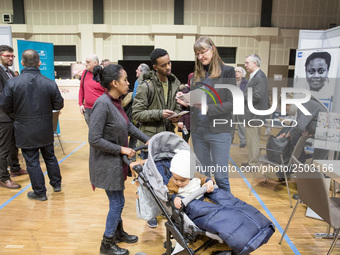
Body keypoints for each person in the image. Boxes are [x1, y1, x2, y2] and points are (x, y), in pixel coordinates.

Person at [89, 64, 149, 255]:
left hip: (115, 161)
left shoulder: (116, 102)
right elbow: (94, 139)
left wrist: (148, 139)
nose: (128, 82)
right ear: (114, 83)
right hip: (106, 163)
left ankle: (118, 233)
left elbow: (128, 125)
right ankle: (106, 244)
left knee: (117, 200)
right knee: (117, 202)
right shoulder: (103, 104)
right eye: (125, 79)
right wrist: (121, 148)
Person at [167, 150, 275, 255]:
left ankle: (259, 226)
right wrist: (176, 198)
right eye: (176, 179)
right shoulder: (172, 182)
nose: (178, 183)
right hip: (193, 205)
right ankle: (240, 238)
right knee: (220, 217)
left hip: (206, 198)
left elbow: (207, 180)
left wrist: (209, 183)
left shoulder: (196, 176)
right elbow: (170, 194)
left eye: (182, 180)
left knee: (229, 203)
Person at [1, 49, 64, 201]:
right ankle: (56, 184)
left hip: (24, 128)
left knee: (32, 161)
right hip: (45, 127)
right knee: (50, 157)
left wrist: (18, 115)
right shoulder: (49, 83)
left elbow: (5, 106)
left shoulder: (12, 83)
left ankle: (40, 192)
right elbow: (59, 104)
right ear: (39, 63)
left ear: (22, 63)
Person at [132, 48, 181, 228]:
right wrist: (160, 113)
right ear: (155, 67)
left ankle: (163, 208)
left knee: (166, 177)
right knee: (149, 179)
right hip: (149, 140)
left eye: (169, 63)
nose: (168, 67)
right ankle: (150, 213)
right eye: (164, 65)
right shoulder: (146, 86)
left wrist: (176, 116)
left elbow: (175, 108)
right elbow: (136, 114)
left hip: (168, 139)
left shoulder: (175, 83)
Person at [183, 36, 235, 193]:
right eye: (197, 54)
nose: (200, 57)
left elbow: (232, 103)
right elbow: (195, 101)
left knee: (220, 177)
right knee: (203, 176)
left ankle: (228, 210)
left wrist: (207, 107)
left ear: (213, 49)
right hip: (199, 132)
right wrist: (185, 101)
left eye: (203, 52)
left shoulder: (227, 71)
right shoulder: (196, 75)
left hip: (219, 132)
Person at [0, 45, 27, 189]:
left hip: (12, 116)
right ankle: (3, 178)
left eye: (12, 56)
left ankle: (15, 168)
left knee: (13, 146)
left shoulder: (10, 72)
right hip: (3, 117)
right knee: (3, 149)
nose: (10, 58)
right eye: (7, 56)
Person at [241, 54, 269, 168]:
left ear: (255, 63)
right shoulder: (255, 76)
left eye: (247, 63)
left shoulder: (260, 77)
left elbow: (257, 95)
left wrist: (242, 95)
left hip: (254, 115)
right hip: (252, 114)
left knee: (253, 140)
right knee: (251, 140)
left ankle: (253, 163)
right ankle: (251, 161)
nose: (245, 65)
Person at [78, 54, 106, 125]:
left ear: (95, 63)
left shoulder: (103, 74)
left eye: (88, 62)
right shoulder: (85, 73)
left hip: (100, 109)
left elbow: (108, 92)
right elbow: (81, 88)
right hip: (87, 109)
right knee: (91, 131)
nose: (86, 64)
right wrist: (81, 104)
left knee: (100, 131)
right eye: (86, 62)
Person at [129, 63, 150, 153]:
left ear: (142, 72)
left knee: (135, 133)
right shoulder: (149, 82)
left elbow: (135, 97)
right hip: (146, 112)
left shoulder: (139, 82)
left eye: (138, 69)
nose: (136, 71)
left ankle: (133, 152)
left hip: (138, 112)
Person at [231, 66, 248, 148]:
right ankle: (230, 138)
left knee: (241, 124)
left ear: (243, 74)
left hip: (241, 106)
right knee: (231, 123)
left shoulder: (246, 83)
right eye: (236, 71)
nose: (237, 73)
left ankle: (243, 141)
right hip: (232, 106)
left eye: (239, 72)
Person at [177, 73, 192, 143]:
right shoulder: (185, 91)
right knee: (185, 140)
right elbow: (180, 107)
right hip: (185, 122)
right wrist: (180, 120)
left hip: (195, 122)